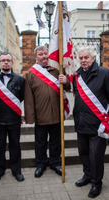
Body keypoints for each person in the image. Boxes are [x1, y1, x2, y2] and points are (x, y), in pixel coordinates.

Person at [73, 47, 109, 198]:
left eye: (86, 57)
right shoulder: (77, 75)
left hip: (97, 124)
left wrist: (102, 114)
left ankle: (96, 183)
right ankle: (87, 175)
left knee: (96, 156)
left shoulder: (105, 74)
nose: (83, 60)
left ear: (93, 58)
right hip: (81, 122)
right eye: (81, 58)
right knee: (83, 152)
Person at [24, 45, 71, 178]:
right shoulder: (30, 73)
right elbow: (28, 97)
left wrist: (66, 81)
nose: (44, 56)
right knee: (40, 142)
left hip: (56, 113)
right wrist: (30, 117)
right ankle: (41, 164)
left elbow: (67, 87)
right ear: (36, 57)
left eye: (46, 53)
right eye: (40, 54)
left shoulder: (57, 70)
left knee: (56, 140)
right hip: (41, 115)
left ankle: (55, 162)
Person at [0, 51, 25, 183]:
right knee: (0, 146)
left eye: (8, 60)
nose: (6, 62)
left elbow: (21, 97)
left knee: (15, 145)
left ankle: (17, 171)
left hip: (14, 119)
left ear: (12, 63)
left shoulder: (20, 79)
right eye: (3, 60)